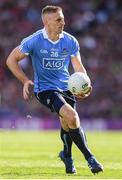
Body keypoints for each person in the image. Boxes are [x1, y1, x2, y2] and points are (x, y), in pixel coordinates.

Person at [6, 5, 103, 175]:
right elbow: (11, 59)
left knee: (68, 123)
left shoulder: (70, 41)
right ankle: (90, 158)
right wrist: (25, 80)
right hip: (45, 89)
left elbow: (78, 66)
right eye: (58, 19)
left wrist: (85, 84)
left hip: (67, 87)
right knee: (72, 116)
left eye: (63, 18)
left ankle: (67, 156)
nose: (63, 22)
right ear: (46, 22)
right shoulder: (34, 40)